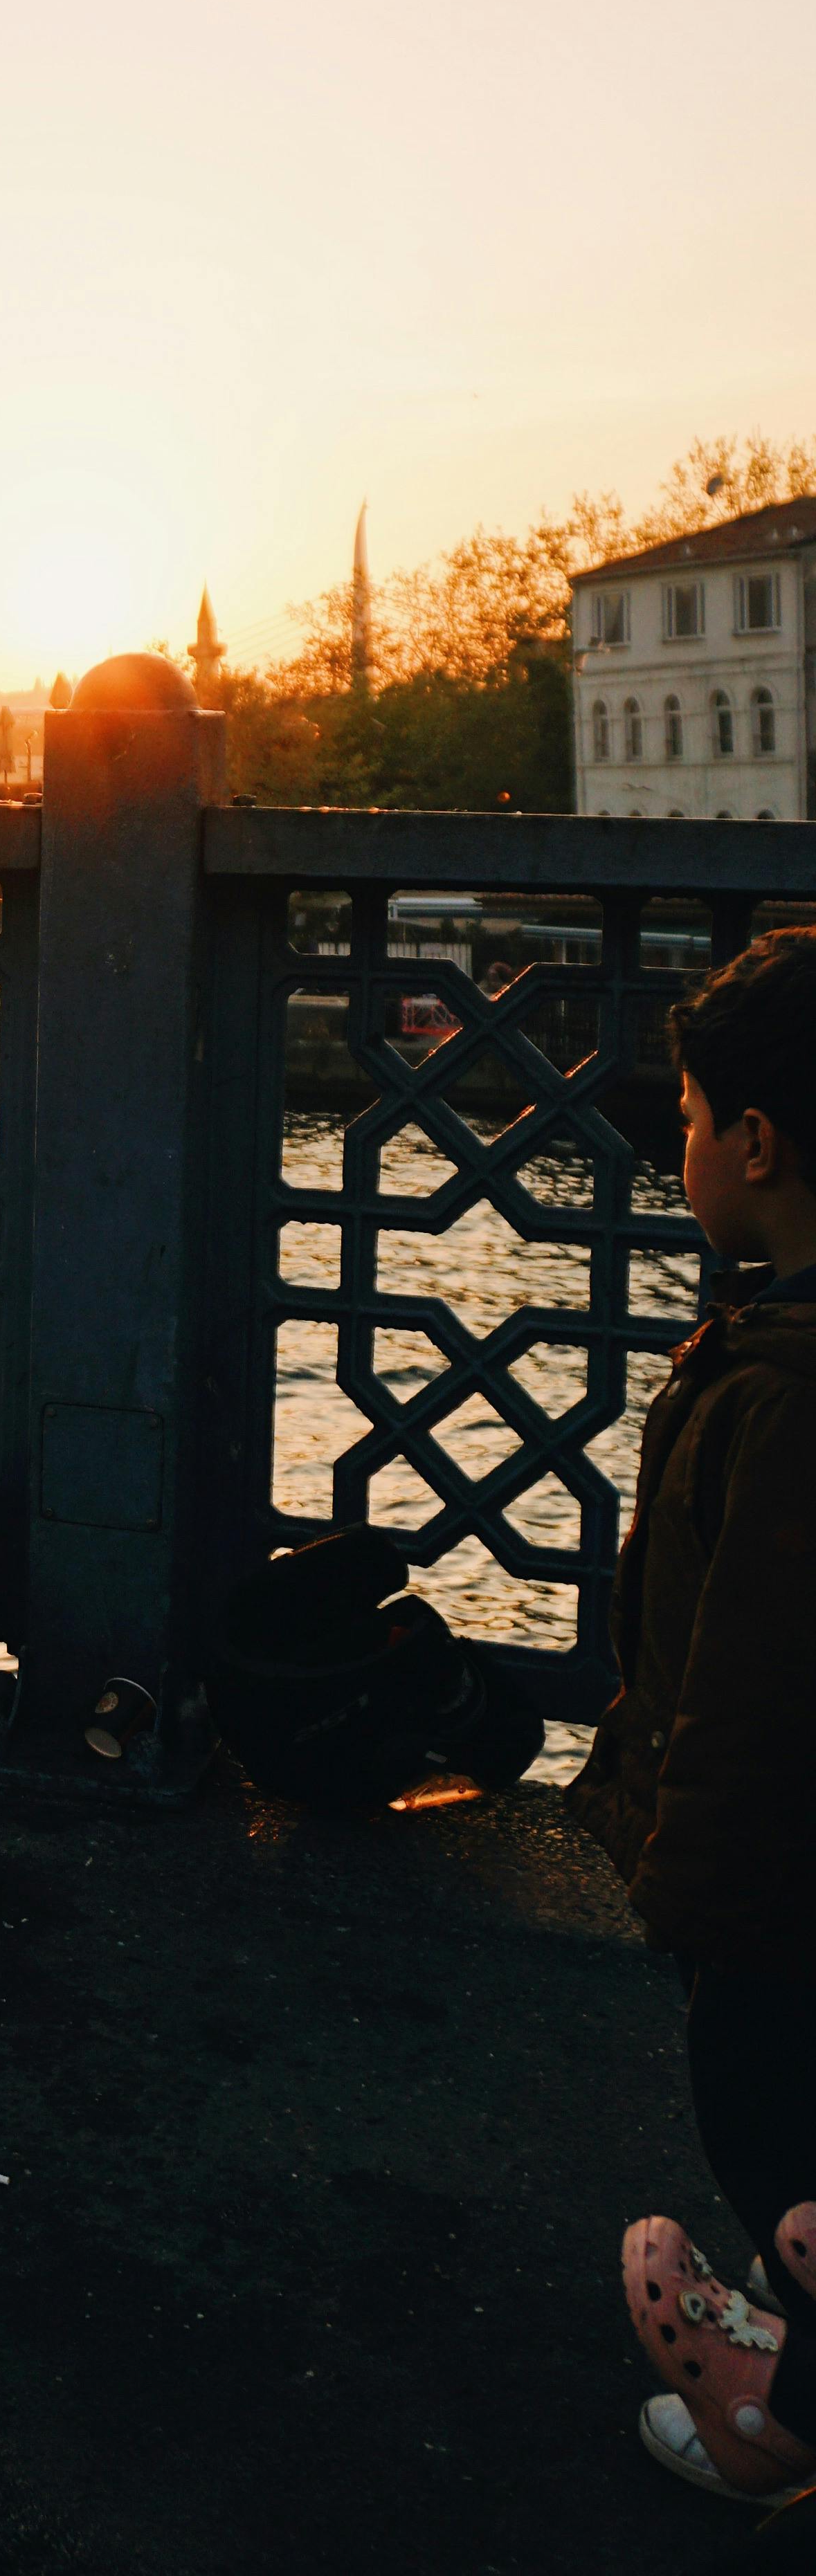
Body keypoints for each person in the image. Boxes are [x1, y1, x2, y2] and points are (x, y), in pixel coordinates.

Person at [570, 926, 816, 2506]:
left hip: (770, 1890)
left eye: (681, 1115)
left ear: (751, 1141)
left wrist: (683, 1878)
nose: (673, 1144)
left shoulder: (786, 1394)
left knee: (764, 2108)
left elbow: (747, 1686)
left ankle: (781, 2421)